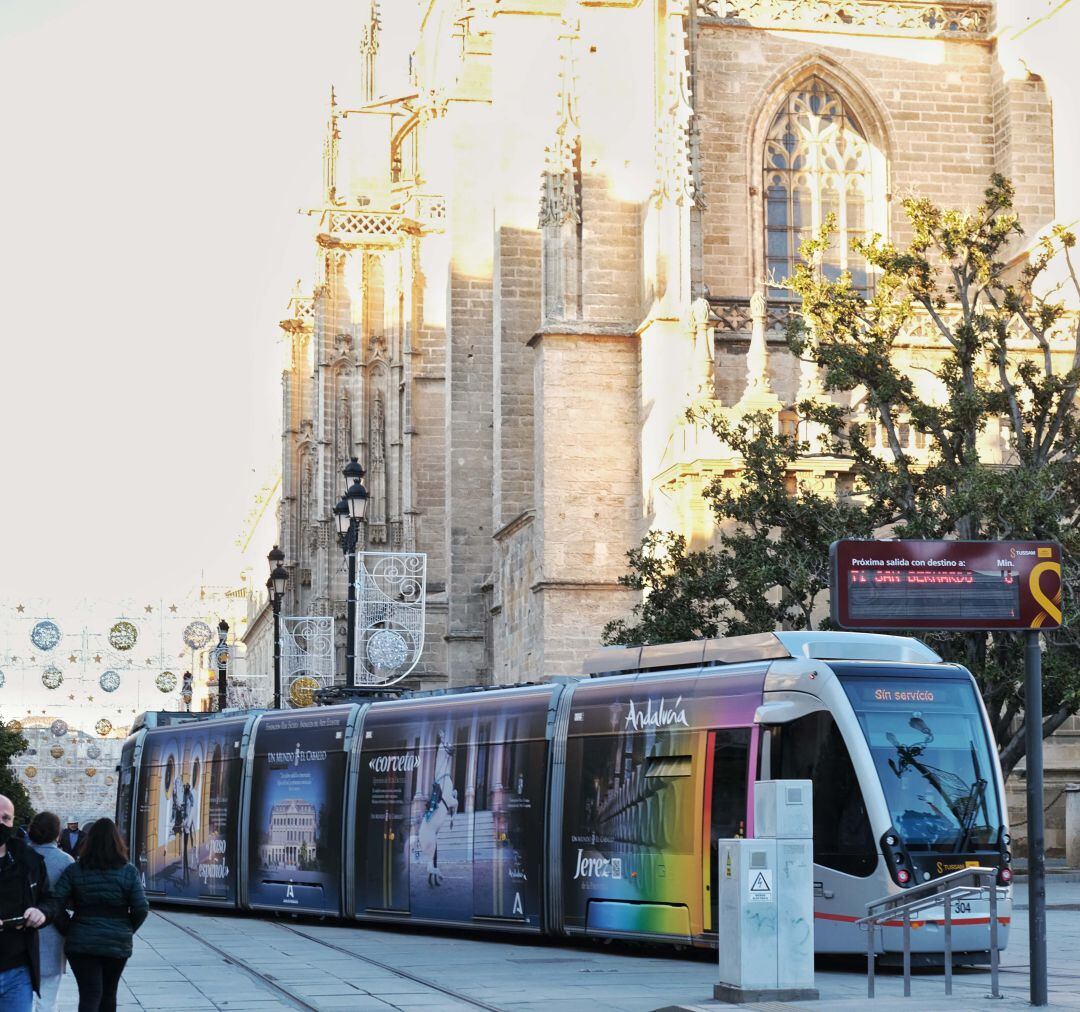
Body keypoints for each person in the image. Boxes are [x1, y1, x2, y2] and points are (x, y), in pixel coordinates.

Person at [52, 818, 147, 1012]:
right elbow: (141, 908)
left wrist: (68, 928)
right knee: (109, 994)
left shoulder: (75, 870)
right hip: (116, 940)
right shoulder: (128, 871)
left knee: (89, 994)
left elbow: (55, 903)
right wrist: (127, 929)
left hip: (81, 939)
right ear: (117, 841)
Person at [0, 794, 57, 1012]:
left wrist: (41, 911)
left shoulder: (28, 859)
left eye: (6, 818)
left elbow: (49, 899)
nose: (1, 823)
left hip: (17, 970)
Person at [27, 812, 72, 1012]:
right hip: (53, 934)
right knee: (48, 1000)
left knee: (19, 997)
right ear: (57, 834)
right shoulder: (66, 861)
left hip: (19, 935)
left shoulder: (19, 855)